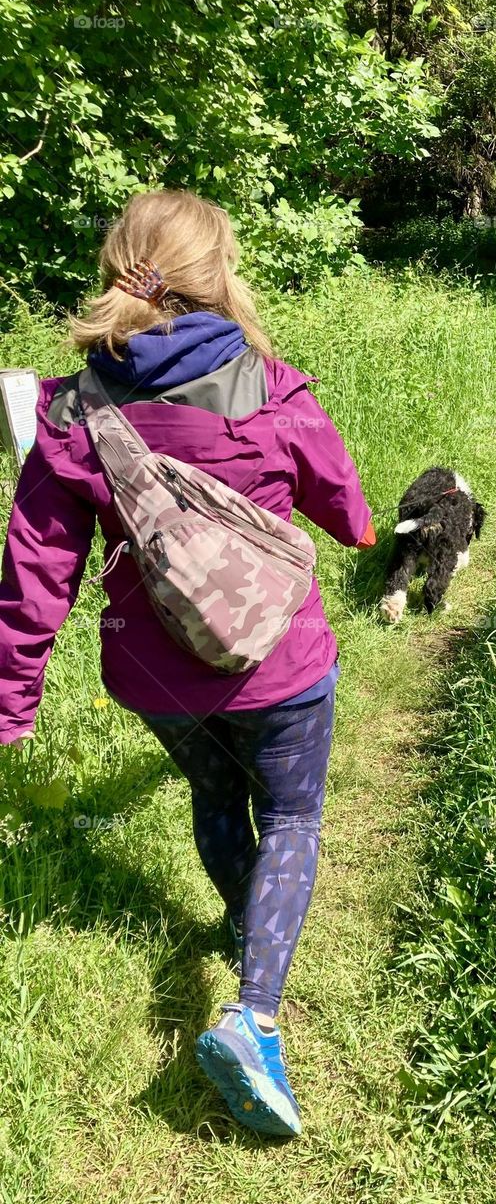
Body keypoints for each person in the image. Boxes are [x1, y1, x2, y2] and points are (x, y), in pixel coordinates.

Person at [0, 189, 377, 1137]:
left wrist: (12, 704)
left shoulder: (69, 411)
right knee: (292, 812)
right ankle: (254, 1014)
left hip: (155, 677)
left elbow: (35, 573)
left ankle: (244, 931)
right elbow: (340, 504)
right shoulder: (270, 385)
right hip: (281, 662)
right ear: (219, 272)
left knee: (216, 797)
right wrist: (364, 531)